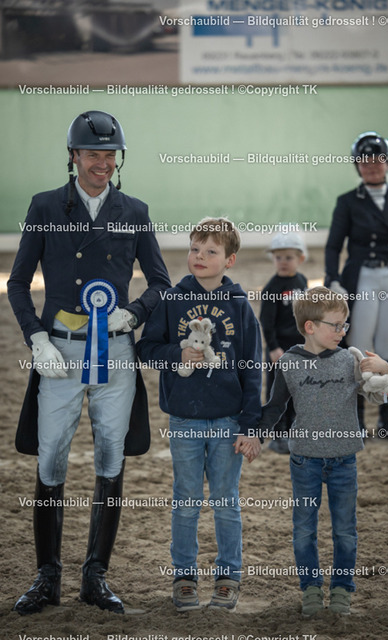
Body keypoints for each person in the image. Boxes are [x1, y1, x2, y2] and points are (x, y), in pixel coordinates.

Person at [7, 110, 171, 615]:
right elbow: (17, 283)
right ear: (74, 156)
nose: (103, 163)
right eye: (94, 154)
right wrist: (36, 337)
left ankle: (95, 576)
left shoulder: (134, 211)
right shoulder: (44, 206)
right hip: (58, 353)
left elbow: (160, 283)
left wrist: (133, 314)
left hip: (114, 353)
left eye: (110, 155)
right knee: (51, 457)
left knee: (111, 457)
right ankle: (47, 577)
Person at [137, 217, 262, 612]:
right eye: (195, 249)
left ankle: (228, 577)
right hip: (185, 421)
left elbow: (253, 369)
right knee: (186, 499)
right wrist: (177, 356)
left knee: (226, 501)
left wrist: (251, 425)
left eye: (211, 251)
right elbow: (146, 349)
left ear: (229, 260)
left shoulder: (239, 305)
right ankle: (184, 576)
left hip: (228, 421)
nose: (200, 256)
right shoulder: (172, 300)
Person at [257, 286, 388, 617]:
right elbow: (275, 406)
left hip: (345, 459)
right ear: (310, 326)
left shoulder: (350, 359)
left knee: (345, 530)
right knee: (305, 529)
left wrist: (383, 368)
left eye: (345, 325)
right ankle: (311, 589)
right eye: (336, 325)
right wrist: (256, 436)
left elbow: (375, 393)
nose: (342, 331)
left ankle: (342, 589)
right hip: (304, 460)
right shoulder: (288, 363)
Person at [325, 132, 388, 440]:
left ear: (387, 163)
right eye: (364, 161)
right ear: (357, 165)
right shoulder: (347, 201)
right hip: (362, 279)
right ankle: (355, 419)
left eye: (377, 160)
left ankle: (387, 418)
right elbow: (333, 246)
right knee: (358, 346)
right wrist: (333, 279)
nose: (371, 165)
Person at [259, 232, 307, 454]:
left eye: (289, 257)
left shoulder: (302, 281)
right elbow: (266, 321)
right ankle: (278, 434)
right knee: (277, 392)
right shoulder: (272, 287)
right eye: (278, 257)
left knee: (298, 389)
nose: (283, 262)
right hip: (279, 349)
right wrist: (273, 347)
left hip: (300, 348)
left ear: (300, 259)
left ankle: (293, 430)